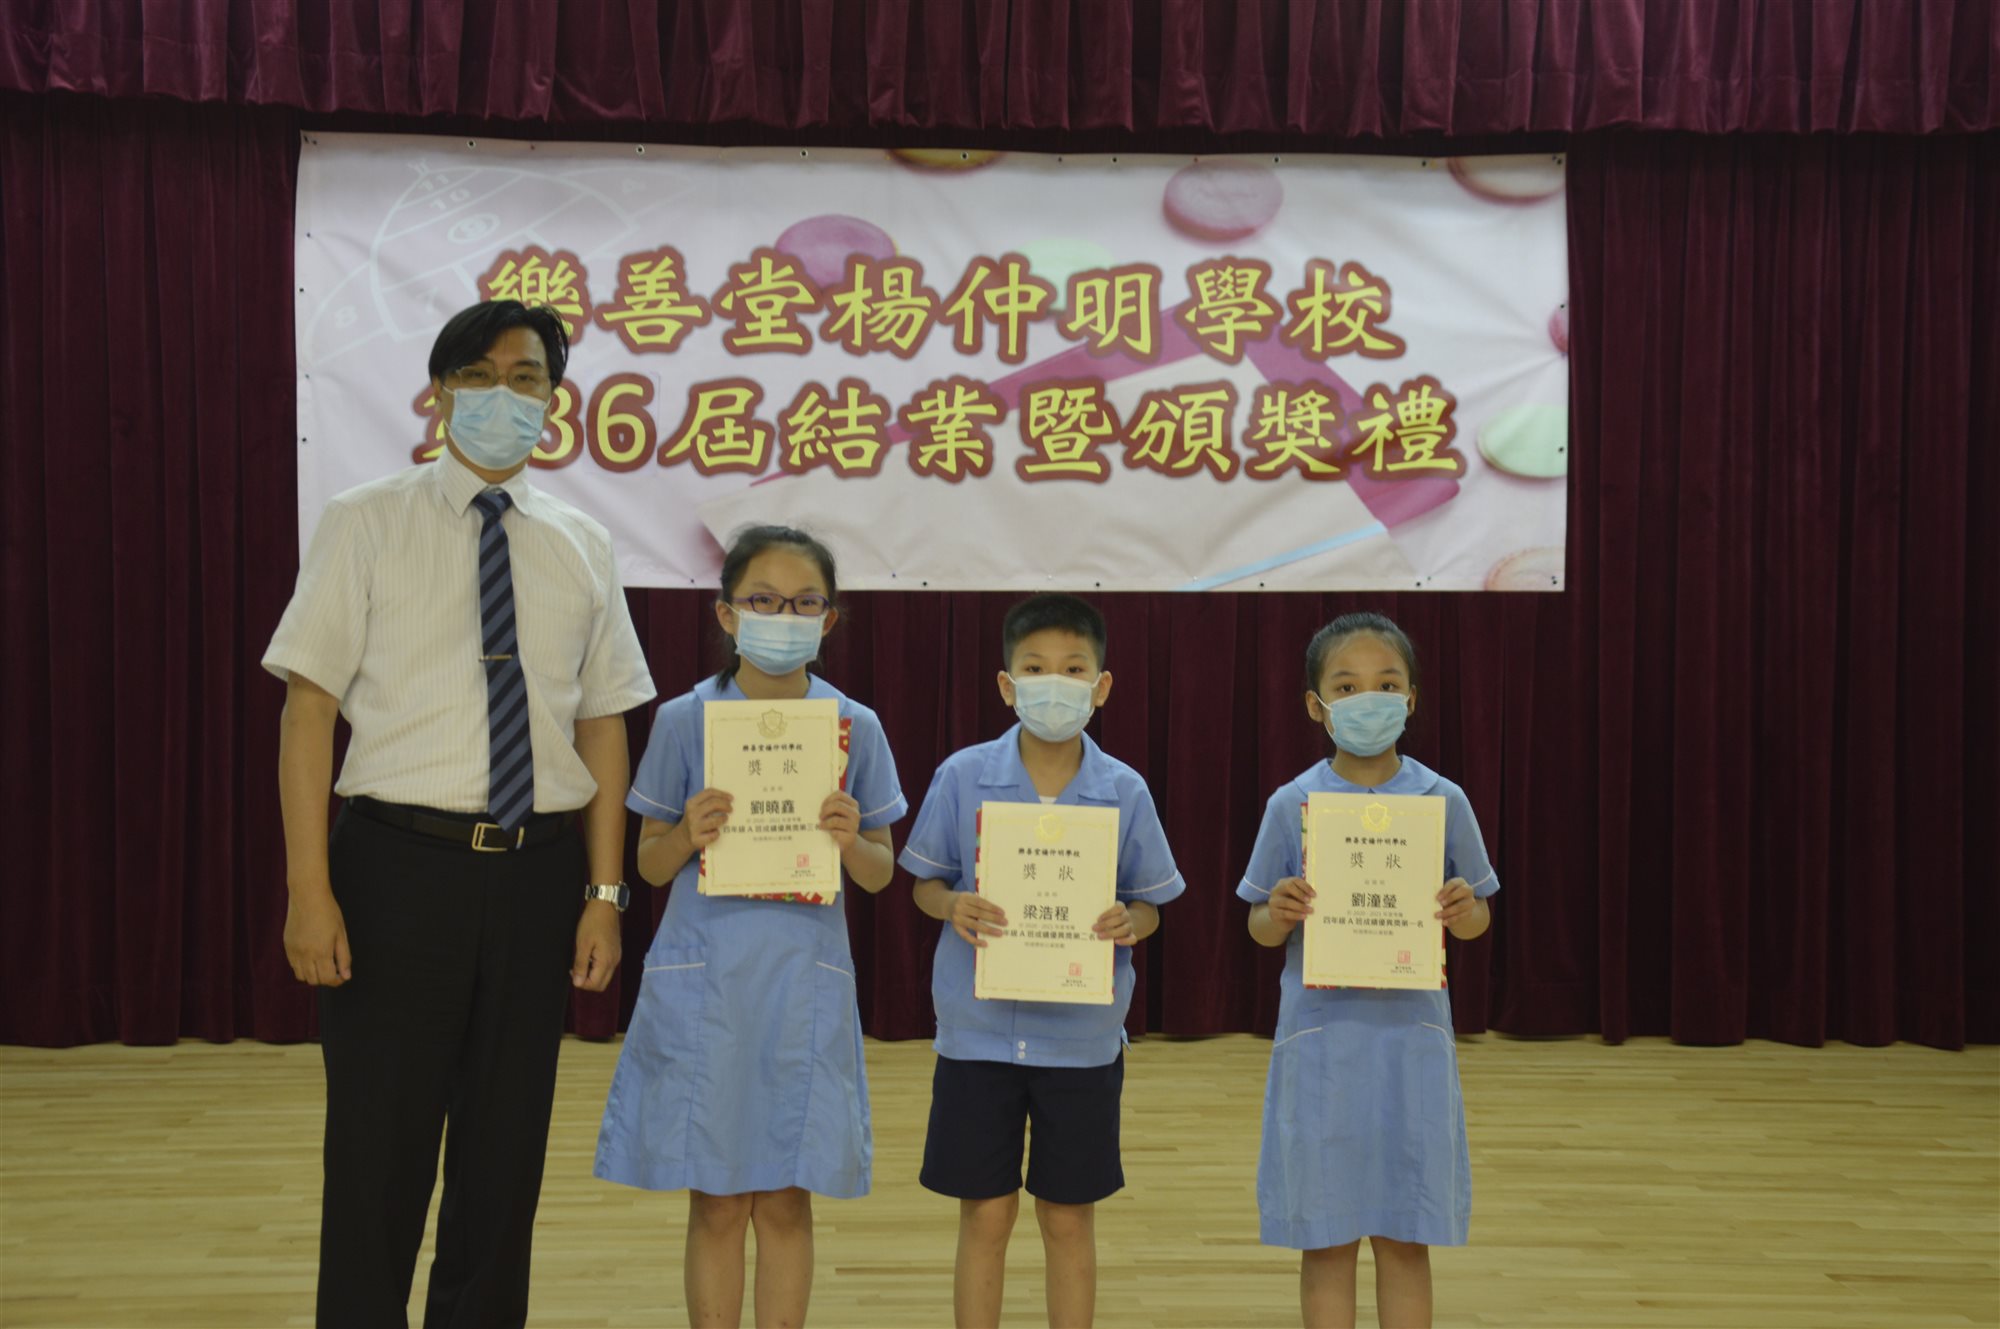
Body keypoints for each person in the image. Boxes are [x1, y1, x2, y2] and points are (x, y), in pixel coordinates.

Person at [264, 300, 656, 1327]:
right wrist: (309, 889)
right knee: (377, 1152)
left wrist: (603, 893)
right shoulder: (365, 520)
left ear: (553, 402)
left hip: (536, 875)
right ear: (439, 392)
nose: (501, 396)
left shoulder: (581, 543)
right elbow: (308, 712)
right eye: (478, 375)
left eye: (525, 379)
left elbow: (604, 725)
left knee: (503, 1153)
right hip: (397, 868)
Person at [594, 525, 905, 1329]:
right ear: (727, 613)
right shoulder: (684, 720)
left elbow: (880, 871)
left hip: (803, 983)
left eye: (803, 603)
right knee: (719, 1197)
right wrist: (685, 833)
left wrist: (849, 839)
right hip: (709, 983)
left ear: (828, 619)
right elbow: (649, 864)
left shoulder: (854, 725)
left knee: (787, 1198)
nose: (782, 616)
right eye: (763, 599)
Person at [899, 592, 1184, 1329]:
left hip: (1080, 1041)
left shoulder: (1124, 790)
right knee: (986, 1213)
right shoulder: (962, 775)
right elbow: (925, 884)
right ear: (1006, 684)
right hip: (977, 1035)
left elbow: (1151, 904)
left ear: (1101, 685)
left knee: (1067, 1217)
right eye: (1034, 668)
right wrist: (953, 905)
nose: (1054, 683)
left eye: (1073, 668)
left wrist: (1130, 920)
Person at [1238, 611, 1497, 1329]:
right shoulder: (1292, 803)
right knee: (1325, 1239)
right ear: (1315, 704)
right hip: (1323, 1043)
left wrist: (1462, 908)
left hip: (1411, 1044)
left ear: (1411, 698)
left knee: (1406, 1234)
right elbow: (1258, 926)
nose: (1368, 700)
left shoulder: (1442, 799)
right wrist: (1279, 911)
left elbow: (1478, 917)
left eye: (1386, 683)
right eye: (1346, 686)